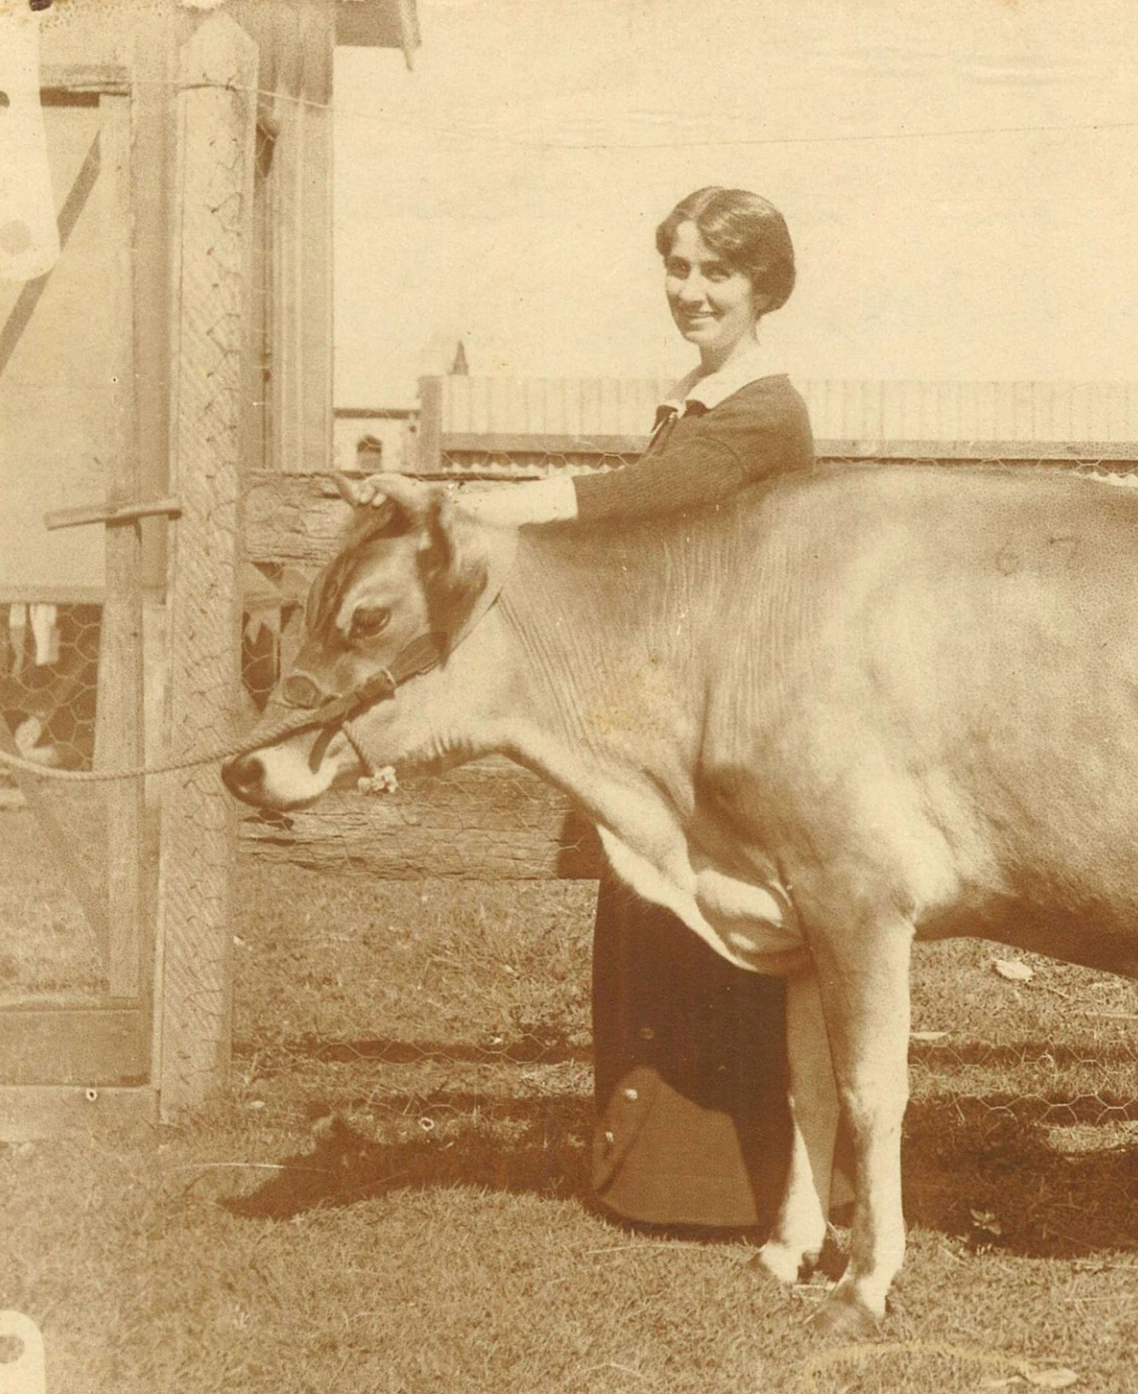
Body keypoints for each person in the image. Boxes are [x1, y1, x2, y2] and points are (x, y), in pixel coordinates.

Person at [342, 188, 814, 1227]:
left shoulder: (761, 410)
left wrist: (465, 509)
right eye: (679, 269)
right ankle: (650, 1177)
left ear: (764, 287)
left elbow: (632, 504)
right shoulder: (698, 396)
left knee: (717, 938)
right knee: (658, 934)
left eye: (715, 274)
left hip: (732, 723)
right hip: (671, 712)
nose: (691, 292)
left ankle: (724, 1190)